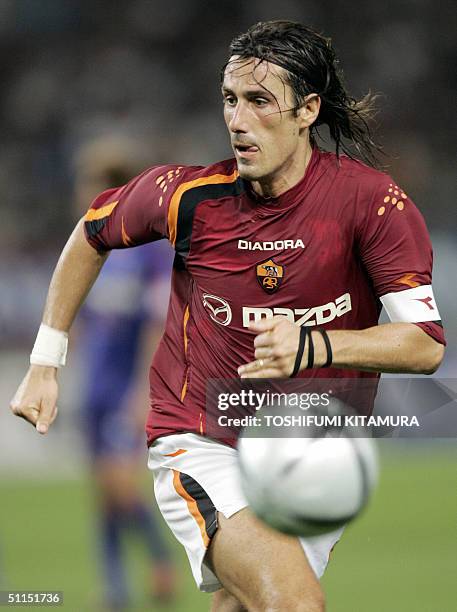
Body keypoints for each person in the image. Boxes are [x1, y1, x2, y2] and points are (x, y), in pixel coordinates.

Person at [11, 21, 445, 612]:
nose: (238, 121)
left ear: (307, 110)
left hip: (312, 455)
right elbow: (91, 233)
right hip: (202, 437)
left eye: (260, 102)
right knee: (294, 604)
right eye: (230, 100)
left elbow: (424, 345)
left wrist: (315, 346)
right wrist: (46, 357)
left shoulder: (372, 204)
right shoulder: (187, 196)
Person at [72, 135, 177, 609]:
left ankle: (160, 562)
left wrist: (144, 390)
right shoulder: (90, 251)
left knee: (120, 484)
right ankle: (114, 589)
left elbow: (157, 325)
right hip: (93, 386)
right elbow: (81, 319)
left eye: (89, 185)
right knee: (103, 492)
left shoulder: (148, 252)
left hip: (123, 390)